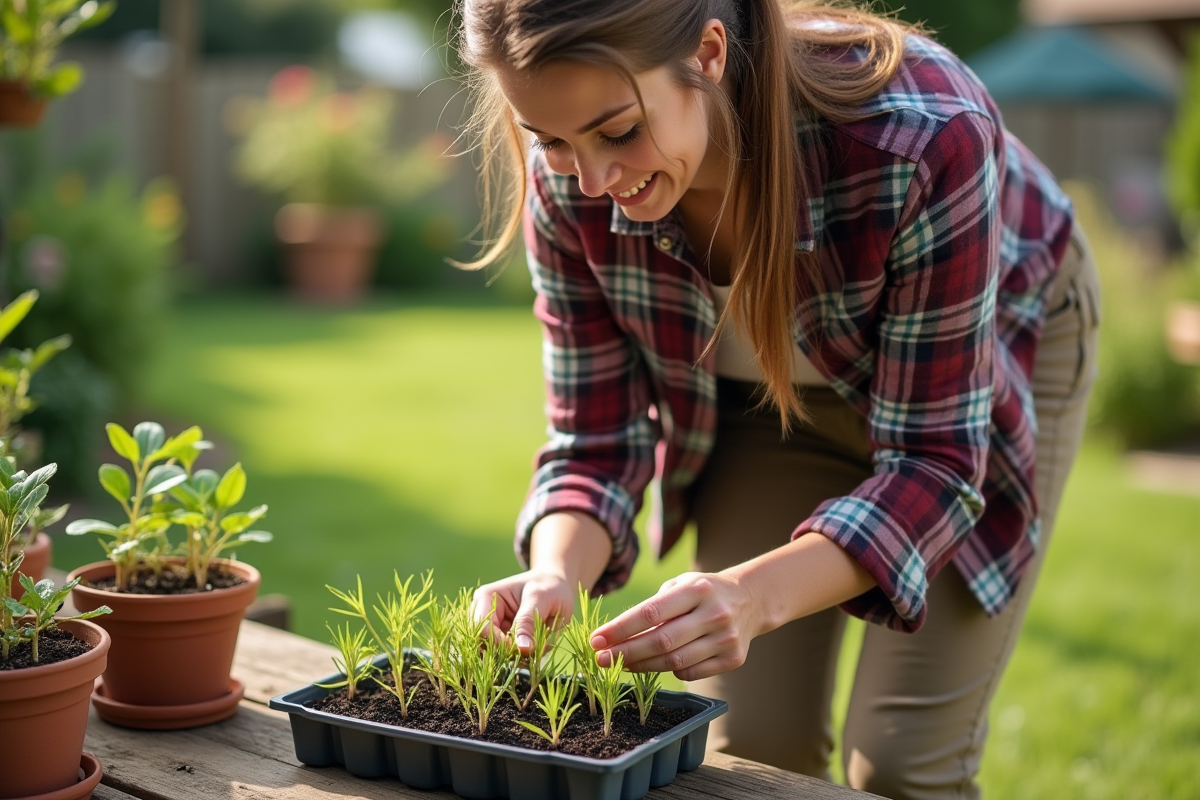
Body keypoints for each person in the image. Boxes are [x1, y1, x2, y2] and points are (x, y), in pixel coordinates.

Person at [461, 1, 1100, 797]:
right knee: (747, 752)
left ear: (709, 52)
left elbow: (935, 463)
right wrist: (557, 572)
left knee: (900, 760)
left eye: (618, 131)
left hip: (985, 357)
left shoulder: (923, 137)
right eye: (551, 140)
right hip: (767, 406)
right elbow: (596, 440)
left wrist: (751, 596)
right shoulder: (572, 189)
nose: (591, 180)